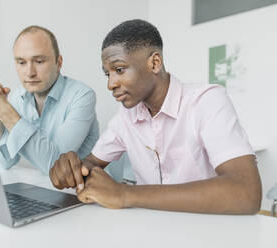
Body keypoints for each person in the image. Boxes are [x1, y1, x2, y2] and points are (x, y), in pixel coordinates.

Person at [49, 19, 262, 214]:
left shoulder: (206, 101)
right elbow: (93, 163)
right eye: (108, 74)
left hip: (207, 232)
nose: (110, 84)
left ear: (155, 63)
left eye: (119, 69)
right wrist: (73, 169)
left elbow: (246, 192)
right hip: (152, 231)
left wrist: (124, 194)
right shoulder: (126, 115)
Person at [0, 25, 99, 174]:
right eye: (21, 62)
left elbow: (57, 166)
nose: (29, 73)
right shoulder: (19, 95)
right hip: (47, 187)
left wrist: (3, 110)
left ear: (59, 63)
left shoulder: (82, 95)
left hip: (89, 190)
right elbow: (7, 161)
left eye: (39, 61)